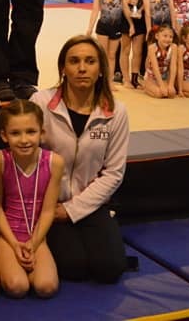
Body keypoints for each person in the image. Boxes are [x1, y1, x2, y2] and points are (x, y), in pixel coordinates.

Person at [32, 36, 129, 283]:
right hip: (50, 206)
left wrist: (72, 209)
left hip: (90, 203)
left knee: (110, 268)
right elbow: (27, 160)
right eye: (74, 61)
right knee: (73, 267)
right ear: (63, 68)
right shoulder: (41, 103)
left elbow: (114, 173)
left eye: (90, 61)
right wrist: (48, 206)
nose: (82, 68)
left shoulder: (116, 112)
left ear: (101, 69)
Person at [0, 99, 62, 298]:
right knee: (17, 287)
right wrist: (14, 244)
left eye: (31, 132)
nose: (24, 140)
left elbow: (48, 211)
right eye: (15, 133)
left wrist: (34, 243)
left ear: (42, 132)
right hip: (6, 236)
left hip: (36, 235)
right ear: (4, 135)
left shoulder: (54, 163)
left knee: (46, 287)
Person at [86, 0, 133, 85]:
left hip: (116, 27)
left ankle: (109, 81)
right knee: (103, 54)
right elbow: (95, 10)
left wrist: (131, 24)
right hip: (103, 26)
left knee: (112, 56)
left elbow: (125, 8)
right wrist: (90, 28)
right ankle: (101, 79)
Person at [119, 0, 147, 88]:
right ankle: (126, 78)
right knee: (125, 49)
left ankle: (135, 78)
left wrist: (140, 10)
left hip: (140, 16)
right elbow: (120, 1)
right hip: (125, 17)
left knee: (138, 50)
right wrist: (128, 1)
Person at [142, 24, 177, 99]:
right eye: (165, 36)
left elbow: (173, 67)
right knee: (159, 94)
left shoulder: (173, 47)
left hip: (164, 77)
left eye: (171, 37)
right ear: (157, 36)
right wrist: (161, 85)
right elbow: (155, 68)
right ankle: (146, 86)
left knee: (171, 94)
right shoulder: (152, 48)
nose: (168, 39)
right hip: (151, 77)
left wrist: (171, 84)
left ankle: (162, 85)